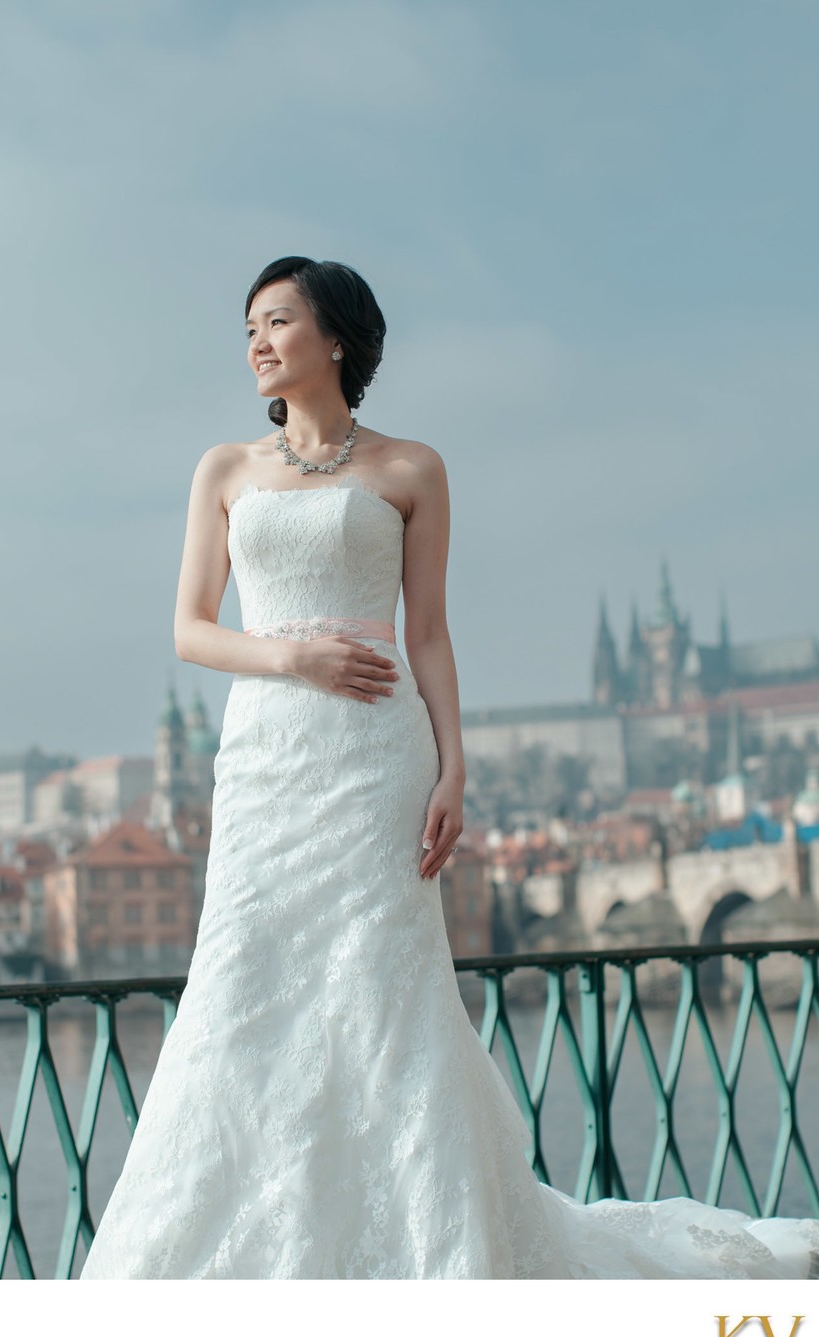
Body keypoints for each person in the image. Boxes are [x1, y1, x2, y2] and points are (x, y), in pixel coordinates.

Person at [79, 256, 819, 1279]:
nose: (255, 339)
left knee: (382, 986)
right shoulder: (225, 470)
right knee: (245, 975)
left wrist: (454, 771)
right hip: (267, 756)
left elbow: (428, 635)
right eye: (247, 325)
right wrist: (290, 654)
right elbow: (189, 630)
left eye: (277, 320)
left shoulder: (410, 468)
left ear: (333, 337)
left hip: (376, 751)